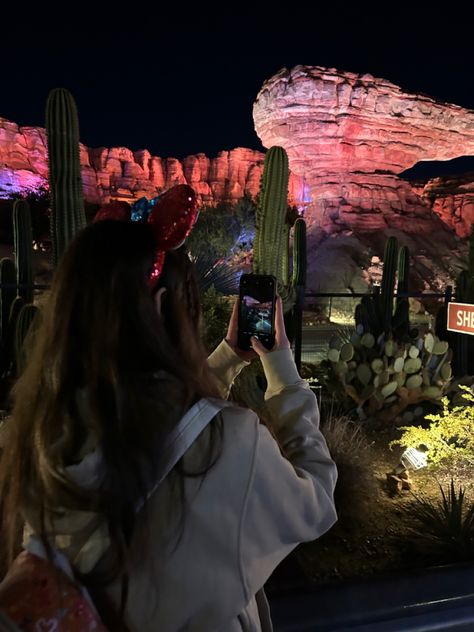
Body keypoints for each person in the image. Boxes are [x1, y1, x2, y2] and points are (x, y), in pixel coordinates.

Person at [0, 193, 337, 631]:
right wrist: (283, 373)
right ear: (159, 307)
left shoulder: (30, 435)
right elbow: (316, 500)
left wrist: (227, 359)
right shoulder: (229, 444)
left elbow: (153, 419)